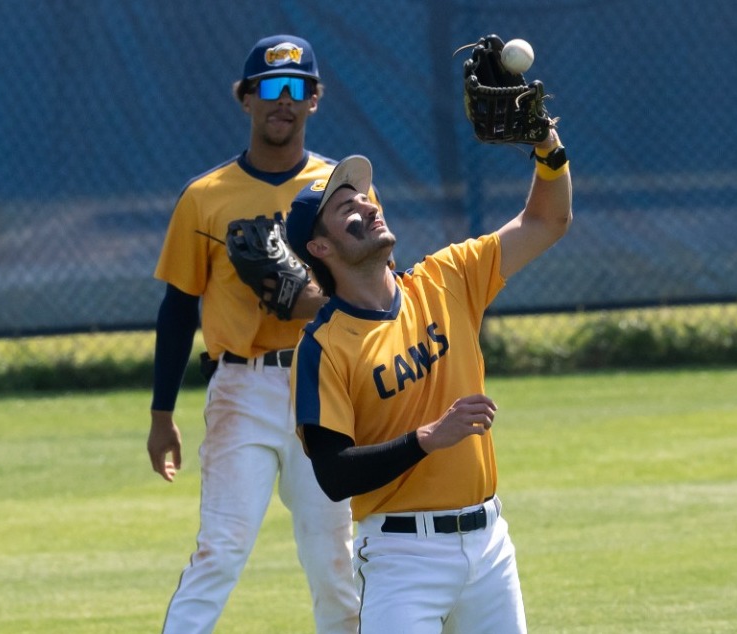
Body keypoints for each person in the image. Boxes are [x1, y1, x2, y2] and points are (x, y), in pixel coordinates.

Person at [284, 127, 572, 633]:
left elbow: (548, 220)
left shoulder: (447, 278)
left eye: (366, 198)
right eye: (345, 208)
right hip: (400, 557)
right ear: (320, 246)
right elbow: (333, 474)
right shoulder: (323, 347)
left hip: (488, 546)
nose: (368, 207)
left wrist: (548, 151)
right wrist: (426, 440)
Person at [147, 34, 375, 634]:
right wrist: (160, 412)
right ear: (245, 99)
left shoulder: (342, 188)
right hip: (242, 388)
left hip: (325, 385)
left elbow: (374, 292)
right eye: (270, 87)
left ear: (315, 100)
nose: (284, 100)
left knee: (334, 561)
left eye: (298, 88)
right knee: (219, 549)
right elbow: (177, 309)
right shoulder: (205, 198)